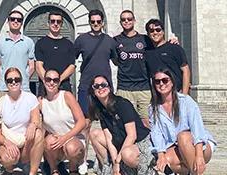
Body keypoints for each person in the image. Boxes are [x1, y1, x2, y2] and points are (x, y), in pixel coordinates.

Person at [73, 9, 118, 173]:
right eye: (93, 22)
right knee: (85, 124)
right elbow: (70, 59)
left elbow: (120, 59)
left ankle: (107, 160)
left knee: (110, 124)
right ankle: (83, 161)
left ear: (103, 22)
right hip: (86, 87)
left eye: (99, 21)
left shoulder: (110, 41)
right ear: (89, 22)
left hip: (105, 89)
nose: (96, 24)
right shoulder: (81, 40)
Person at [149, 68, 216, 175]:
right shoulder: (153, 108)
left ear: (172, 82)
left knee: (183, 136)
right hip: (175, 147)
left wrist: (199, 155)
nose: (161, 84)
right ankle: (190, 170)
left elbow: (197, 128)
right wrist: (161, 155)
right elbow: (156, 133)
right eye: (157, 81)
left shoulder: (186, 101)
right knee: (163, 163)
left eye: (165, 80)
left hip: (199, 145)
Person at [88, 75, 154, 175]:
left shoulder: (122, 104)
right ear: (93, 92)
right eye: (96, 86)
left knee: (126, 154)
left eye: (103, 85)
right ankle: (110, 169)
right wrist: (115, 162)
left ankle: (149, 169)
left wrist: (118, 161)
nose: (100, 88)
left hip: (139, 142)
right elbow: (109, 138)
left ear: (109, 88)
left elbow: (132, 135)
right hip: (122, 143)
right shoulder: (100, 110)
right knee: (94, 134)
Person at [0, 67, 44, 174]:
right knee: (9, 158)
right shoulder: (0, 104)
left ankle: (32, 172)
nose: (14, 82)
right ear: (6, 83)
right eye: (10, 80)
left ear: (21, 81)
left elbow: (36, 120)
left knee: (38, 133)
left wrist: (32, 125)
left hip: (26, 142)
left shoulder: (30, 98)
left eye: (17, 79)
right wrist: (7, 143)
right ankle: (9, 169)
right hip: (7, 143)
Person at [40, 69, 87, 174]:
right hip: (56, 142)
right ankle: (54, 170)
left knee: (71, 148)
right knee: (48, 141)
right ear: (44, 81)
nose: (52, 83)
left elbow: (82, 122)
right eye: (48, 79)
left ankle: (73, 169)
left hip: (73, 138)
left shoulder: (66, 96)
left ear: (59, 82)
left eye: (55, 80)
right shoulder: (41, 101)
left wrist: (65, 138)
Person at [0, 10, 35, 97]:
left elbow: (31, 67)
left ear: (22, 23)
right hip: (4, 88)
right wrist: (4, 80)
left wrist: (25, 78)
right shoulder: (0, 42)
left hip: (23, 88)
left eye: (19, 20)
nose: (16, 21)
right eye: (13, 19)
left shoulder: (29, 42)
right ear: (8, 22)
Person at [145, 19, 191, 94]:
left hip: (176, 93)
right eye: (152, 31)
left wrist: (184, 95)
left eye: (158, 30)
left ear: (163, 32)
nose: (155, 33)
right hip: (158, 95)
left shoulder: (175, 48)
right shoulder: (147, 52)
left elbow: (186, 70)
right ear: (148, 34)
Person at [35, 11, 75, 96]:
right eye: (53, 21)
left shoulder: (69, 44)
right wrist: (48, 82)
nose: (55, 24)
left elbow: (71, 66)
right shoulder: (40, 43)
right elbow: (38, 66)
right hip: (45, 87)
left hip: (64, 86)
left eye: (58, 21)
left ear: (62, 24)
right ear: (48, 23)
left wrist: (58, 80)